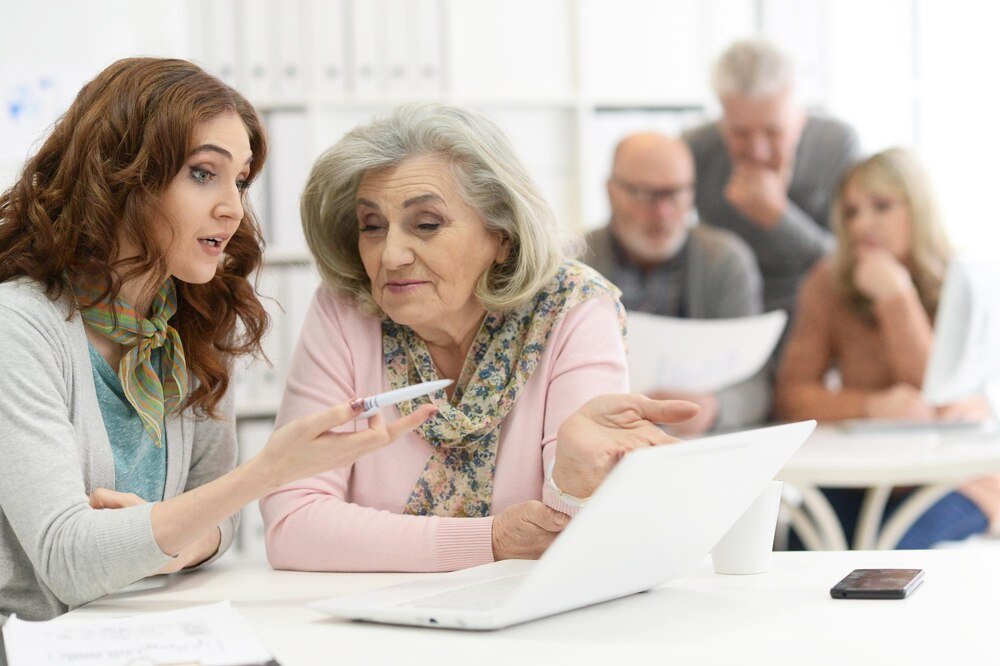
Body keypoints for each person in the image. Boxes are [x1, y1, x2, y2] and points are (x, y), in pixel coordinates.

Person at [0, 58, 439, 621]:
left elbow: (219, 522)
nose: (233, 208)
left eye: (240, 180)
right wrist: (267, 473)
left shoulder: (191, 322)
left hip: (147, 634)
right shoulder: (20, 325)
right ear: (119, 175)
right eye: (204, 173)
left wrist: (166, 546)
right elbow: (69, 559)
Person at [260, 104, 699, 572]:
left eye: (426, 225)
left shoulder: (573, 307)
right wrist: (491, 540)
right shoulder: (345, 308)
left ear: (502, 235)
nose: (390, 254)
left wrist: (576, 474)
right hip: (369, 618)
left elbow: (578, 537)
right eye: (372, 226)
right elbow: (292, 524)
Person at [774, 148, 997, 548]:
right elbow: (791, 396)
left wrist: (897, 298)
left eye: (881, 206)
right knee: (802, 550)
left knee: (897, 553)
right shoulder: (829, 282)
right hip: (863, 477)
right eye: (851, 212)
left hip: (958, 478)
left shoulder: (964, 277)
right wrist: (872, 405)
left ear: (918, 208)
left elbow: (941, 401)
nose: (863, 225)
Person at [582, 132, 769, 434]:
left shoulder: (724, 261)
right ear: (611, 192)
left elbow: (755, 382)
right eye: (645, 195)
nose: (662, 213)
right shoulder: (576, 264)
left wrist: (714, 408)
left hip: (696, 443)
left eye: (675, 193)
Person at [683, 39, 861, 316]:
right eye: (740, 133)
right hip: (725, 315)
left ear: (797, 114)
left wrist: (779, 216)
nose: (758, 151)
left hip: (819, 313)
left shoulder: (836, 144)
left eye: (773, 131)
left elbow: (853, 267)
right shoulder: (696, 148)